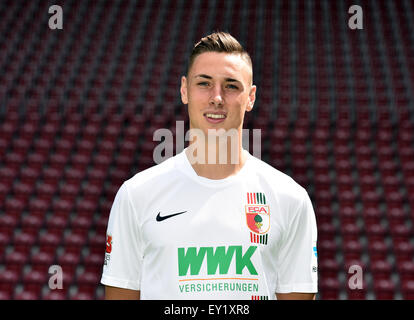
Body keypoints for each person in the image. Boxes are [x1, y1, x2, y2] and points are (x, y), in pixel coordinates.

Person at [100, 31, 318, 300]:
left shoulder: (290, 198)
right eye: (204, 83)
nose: (217, 97)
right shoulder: (136, 195)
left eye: (231, 86)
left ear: (250, 97)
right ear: (184, 90)